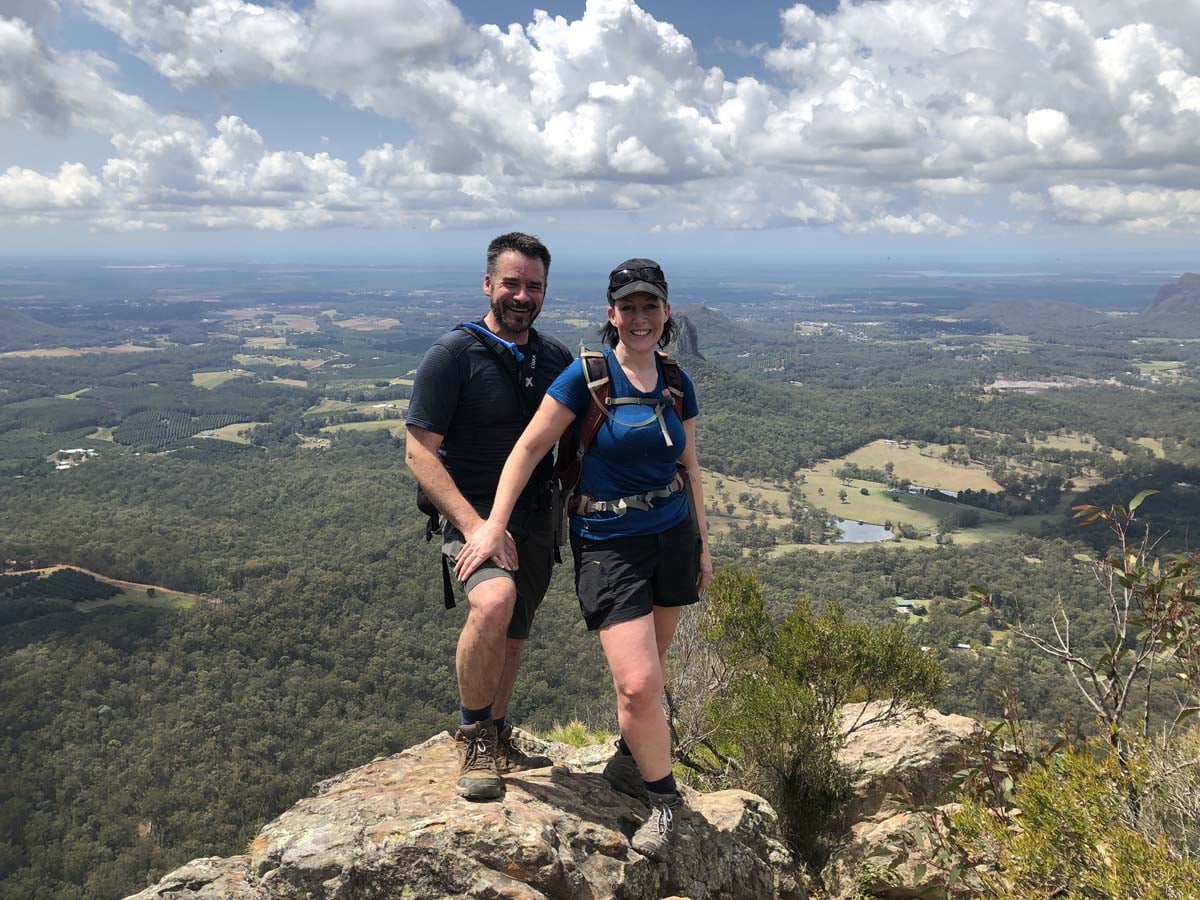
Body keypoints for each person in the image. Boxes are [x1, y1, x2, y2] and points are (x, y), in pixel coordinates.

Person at [455, 258, 713, 860]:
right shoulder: (587, 378)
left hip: (672, 534)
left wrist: (704, 544)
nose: (640, 317)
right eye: (629, 307)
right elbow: (528, 448)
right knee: (639, 683)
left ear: (666, 313)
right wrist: (492, 525)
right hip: (609, 542)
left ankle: (630, 763)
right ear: (611, 314)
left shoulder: (677, 382)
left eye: (651, 306)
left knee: (652, 674)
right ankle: (666, 802)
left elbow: (690, 466)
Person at [405, 232, 573, 801]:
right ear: (488, 285)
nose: (522, 295)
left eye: (534, 286)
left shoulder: (554, 359)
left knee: (516, 632)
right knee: (493, 602)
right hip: (470, 516)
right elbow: (418, 452)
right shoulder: (453, 356)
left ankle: (498, 734)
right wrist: (477, 527)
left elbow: (571, 443)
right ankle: (473, 735)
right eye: (512, 283)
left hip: (537, 518)